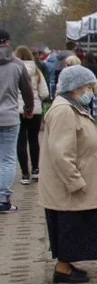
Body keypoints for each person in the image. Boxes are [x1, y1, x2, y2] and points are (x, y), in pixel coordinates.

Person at [40, 65, 97, 283]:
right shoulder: (64, 111)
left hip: (72, 184)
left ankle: (67, 264)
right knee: (70, 225)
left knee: (75, 226)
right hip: (68, 186)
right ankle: (62, 268)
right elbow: (62, 152)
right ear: (76, 87)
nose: (91, 91)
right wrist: (75, 180)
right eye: (89, 86)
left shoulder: (71, 107)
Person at [0, 29, 34, 213]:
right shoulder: (17, 64)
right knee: (6, 159)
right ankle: (3, 199)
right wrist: (28, 108)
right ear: (7, 42)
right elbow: (27, 90)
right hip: (10, 117)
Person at [13, 46, 49, 185]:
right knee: (34, 139)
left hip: (17, 109)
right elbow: (45, 93)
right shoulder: (37, 72)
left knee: (21, 141)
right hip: (35, 110)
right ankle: (35, 169)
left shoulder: (14, 70)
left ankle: (24, 174)